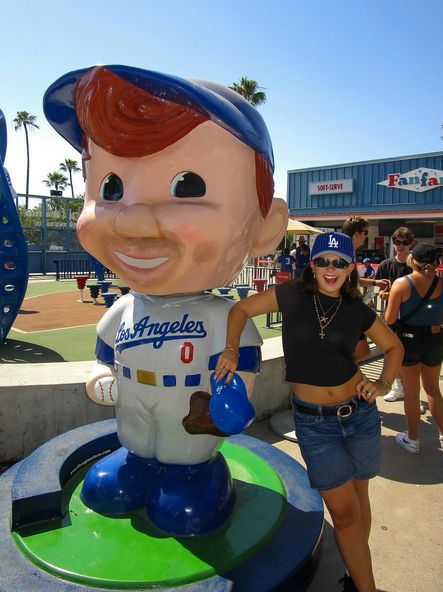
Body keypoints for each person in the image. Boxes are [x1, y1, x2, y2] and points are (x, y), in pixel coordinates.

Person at [44, 64, 288, 535]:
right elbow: (104, 355)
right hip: (134, 403)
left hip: (190, 416)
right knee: (116, 473)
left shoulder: (224, 316)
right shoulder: (124, 308)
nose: (132, 222)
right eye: (110, 188)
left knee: (183, 490)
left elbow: (242, 367)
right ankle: (137, 464)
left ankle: (195, 475)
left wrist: (233, 396)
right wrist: (100, 374)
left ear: (265, 227)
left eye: (188, 187)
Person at [216, 232, 404, 592]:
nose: (330, 269)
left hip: (361, 415)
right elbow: (239, 309)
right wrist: (230, 350)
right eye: (322, 261)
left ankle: (354, 574)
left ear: (351, 267)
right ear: (311, 265)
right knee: (345, 514)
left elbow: (393, 347)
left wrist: (382, 385)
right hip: (316, 424)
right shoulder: (291, 296)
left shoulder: (356, 309)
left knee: (359, 499)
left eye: (340, 262)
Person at [384, 243, 443, 453]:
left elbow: (390, 318)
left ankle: (413, 438)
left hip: (409, 340)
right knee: (433, 388)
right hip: (435, 339)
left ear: (412, 260)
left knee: (411, 392)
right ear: (437, 263)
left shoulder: (402, 284)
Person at [375, 227, 415, 403]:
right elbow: (378, 289)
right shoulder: (386, 265)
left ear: (411, 244)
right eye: (397, 242)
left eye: (404, 242)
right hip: (391, 317)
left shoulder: (415, 266)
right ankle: (399, 388)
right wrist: (383, 294)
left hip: (412, 319)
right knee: (393, 353)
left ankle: (413, 395)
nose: (400, 246)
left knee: (411, 359)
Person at [342, 216, 389, 362]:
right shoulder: (345, 253)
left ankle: (343, 375)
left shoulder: (349, 252)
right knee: (362, 351)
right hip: (346, 311)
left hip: (350, 310)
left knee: (362, 352)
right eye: (365, 232)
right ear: (357, 234)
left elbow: (354, 280)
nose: (366, 236)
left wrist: (375, 282)